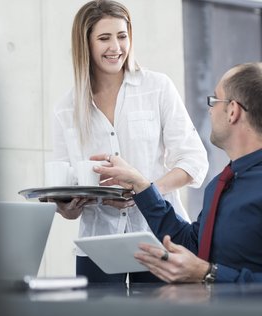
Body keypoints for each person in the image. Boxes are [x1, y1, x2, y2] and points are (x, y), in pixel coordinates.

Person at [50, 0, 208, 283]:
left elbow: (194, 161)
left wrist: (145, 193)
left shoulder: (157, 88)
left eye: (122, 36)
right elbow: (67, 195)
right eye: (104, 38)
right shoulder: (65, 108)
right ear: (84, 44)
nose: (116, 47)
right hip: (98, 248)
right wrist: (68, 207)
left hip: (160, 240)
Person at [91, 62, 262, 283]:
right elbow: (190, 244)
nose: (210, 109)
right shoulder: (222, 185)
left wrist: (208, 274)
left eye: (214, 100)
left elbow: (204, 269)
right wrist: (143, 186)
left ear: (232, 111)